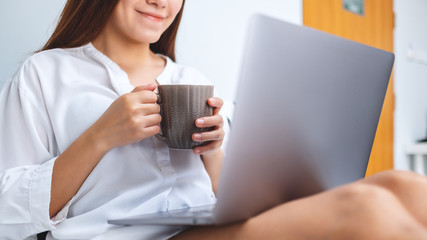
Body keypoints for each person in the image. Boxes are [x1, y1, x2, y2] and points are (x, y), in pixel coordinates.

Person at [0, 0, 426, 239]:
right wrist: (99, 137)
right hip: (124, 236)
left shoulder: (192, 79)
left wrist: (215, 151)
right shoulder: (45, 74)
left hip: (204, 220)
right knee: (365, 209)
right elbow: (8, 210)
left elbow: (232, 195)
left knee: (404, 185)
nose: (160, 2)